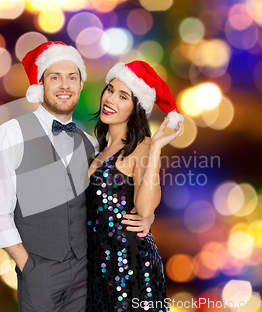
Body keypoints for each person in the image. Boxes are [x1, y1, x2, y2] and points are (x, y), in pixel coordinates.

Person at [0, 42, 154, 312]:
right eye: (55, 77)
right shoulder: (10, 134)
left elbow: (113, 197)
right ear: (41, 84)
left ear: (81, 85)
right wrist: (27, 265)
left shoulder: (90, 145)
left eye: (72, 78)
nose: (65, 85)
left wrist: (148, 217)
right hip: (39, 272)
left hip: (88, 273)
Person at [86, 60, 185, 311]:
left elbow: (143, 209)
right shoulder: (96, 148)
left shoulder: (141, 145)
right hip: (95, 264)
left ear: (136, 107)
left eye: (123, 96)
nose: (110, 99)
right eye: (110, 90)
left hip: (127, 264)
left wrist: (156, 149)